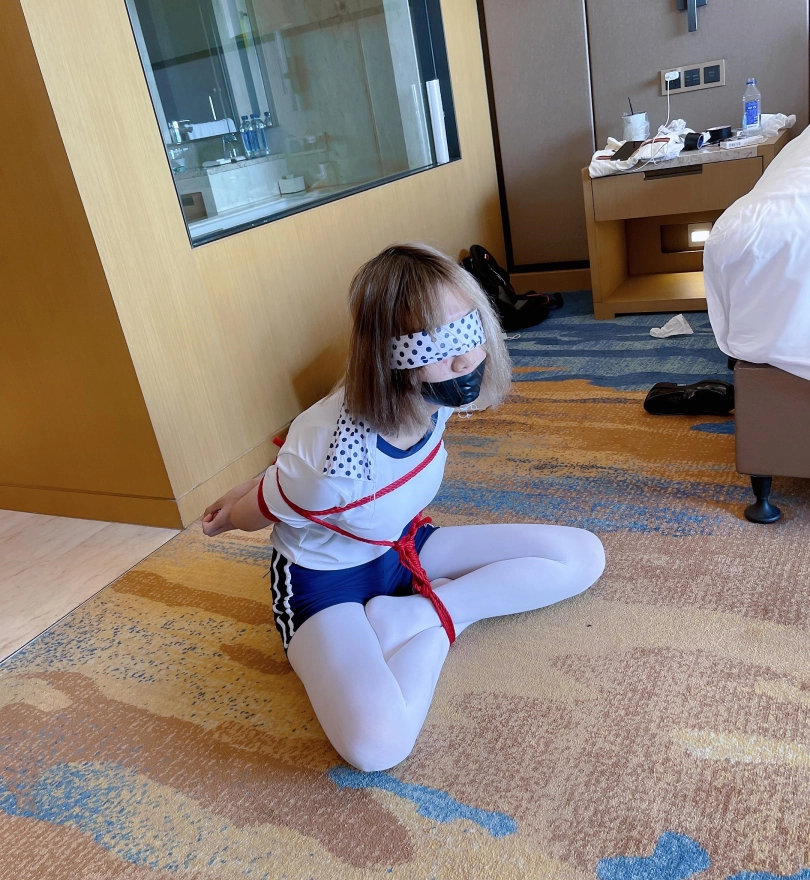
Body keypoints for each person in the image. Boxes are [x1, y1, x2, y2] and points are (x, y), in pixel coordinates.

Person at [202, 244, 605, 772]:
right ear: (387, 355)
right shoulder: (329, 462)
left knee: (582, 555)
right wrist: (230, 512)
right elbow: (261, 508)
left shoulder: (438, 396)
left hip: (403, 546)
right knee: (377, 747)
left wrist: (427, 615)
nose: (466, 359)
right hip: (325, 583)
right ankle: (439, 615)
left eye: (469, 330)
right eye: (438, 343)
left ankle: (417, 614)